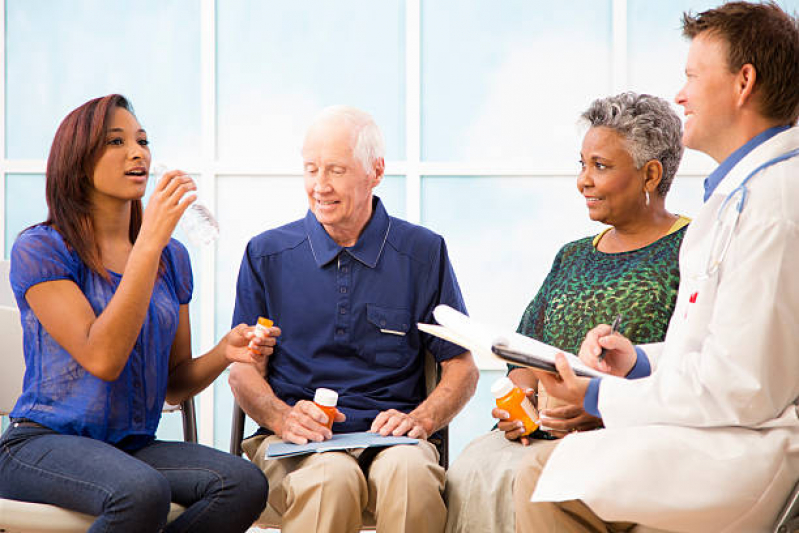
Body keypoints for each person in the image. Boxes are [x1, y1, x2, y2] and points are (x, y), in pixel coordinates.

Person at [514, 3, 799, 532]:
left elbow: (740, 386)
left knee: (546, 475)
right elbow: (717, 351)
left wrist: (598, 393)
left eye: (692, 76)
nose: (681, 94)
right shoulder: (740, 197)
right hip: (722, 429)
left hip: (748, 448)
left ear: (744, 82)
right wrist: (639, 362)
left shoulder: (775, 206)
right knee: (547, 471)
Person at [0, 94, 269, 533]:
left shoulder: (172, 258)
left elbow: (175, 386)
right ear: (77, 160)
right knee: (140, 492)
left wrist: (224, 352)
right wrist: (148, 243)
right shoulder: (42, 248)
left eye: (142, 141)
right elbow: (102, 358)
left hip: (131, 448)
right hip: (41, 445)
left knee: (242, 483)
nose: (137, 152)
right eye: (116, 142)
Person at [228, 105, 479, 533]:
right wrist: (281, 417)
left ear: (375, 172)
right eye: (311, 170)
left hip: (394, 441)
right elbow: (243, 369)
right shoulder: (266, 254)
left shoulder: (423, 253)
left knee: (410, 475)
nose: (320, 186)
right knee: (331, 479)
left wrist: (422, 419)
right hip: (295, 444)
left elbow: (461, 366)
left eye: (336, 171)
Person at [445, 92, 688, 533]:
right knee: (470, 470)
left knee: (537, 477)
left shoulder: (692, 249)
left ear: (650, 174)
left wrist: (601, 406)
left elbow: (693, 366)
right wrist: (519, 405)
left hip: (631, 438)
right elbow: (523, 352)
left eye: (600, 166)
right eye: (582, 164)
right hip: (538, 435)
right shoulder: (572, 256)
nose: (583, 181)